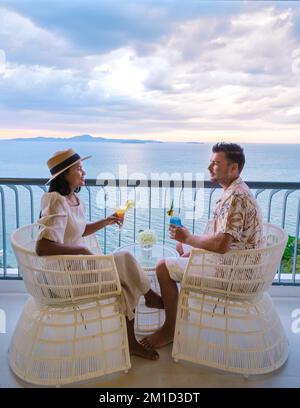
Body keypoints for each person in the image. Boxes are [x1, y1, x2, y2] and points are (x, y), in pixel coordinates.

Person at [35, 148, 163, 360]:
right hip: (65, 277)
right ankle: (151, 299)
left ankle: (134, 337)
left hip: (80, 268)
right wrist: (82, 249)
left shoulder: (73, 199)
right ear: (65, 174)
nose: (83, 172)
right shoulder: (55, 200)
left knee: (124, 282)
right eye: (79, 169)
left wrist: (107, 220)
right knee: (124, 262)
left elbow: (80, 230)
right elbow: (43, 247)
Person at [141, 142, 263, 349]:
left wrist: (189, 239)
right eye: (211, 162)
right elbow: (225, 241)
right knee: (181, 249)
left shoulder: (236, 197)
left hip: (234, 272)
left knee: (162, 266)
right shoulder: (235, 190)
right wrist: (189, 245)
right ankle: (176, 304)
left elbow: (222, 245)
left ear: (233, 168)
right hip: (237, 261)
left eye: (216, 163)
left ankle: (170, 328)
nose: (209, 168)